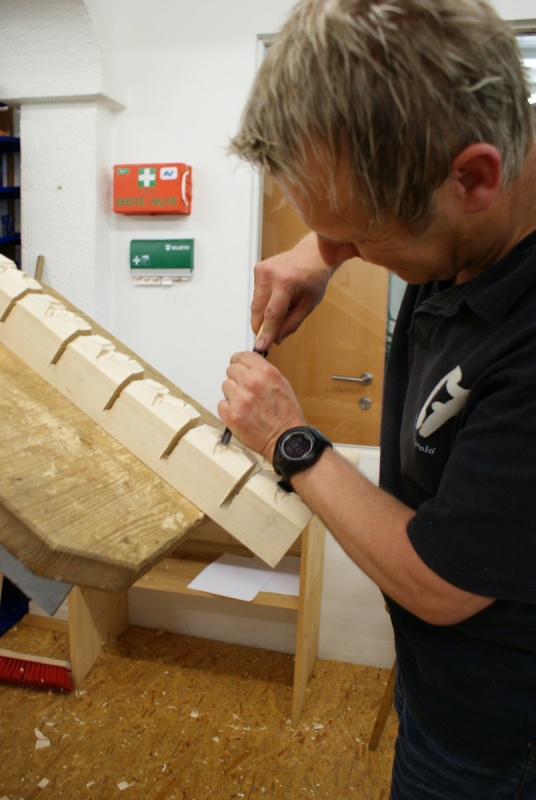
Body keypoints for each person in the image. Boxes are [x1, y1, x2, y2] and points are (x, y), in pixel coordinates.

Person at [218, 1, 536, 797]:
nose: (345, 254)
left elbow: (441, 584)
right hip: (435, 689)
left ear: (474, 179)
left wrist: (289, 439)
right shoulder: (476, 205)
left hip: (497, 740)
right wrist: (321, 248)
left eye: (358, 235)